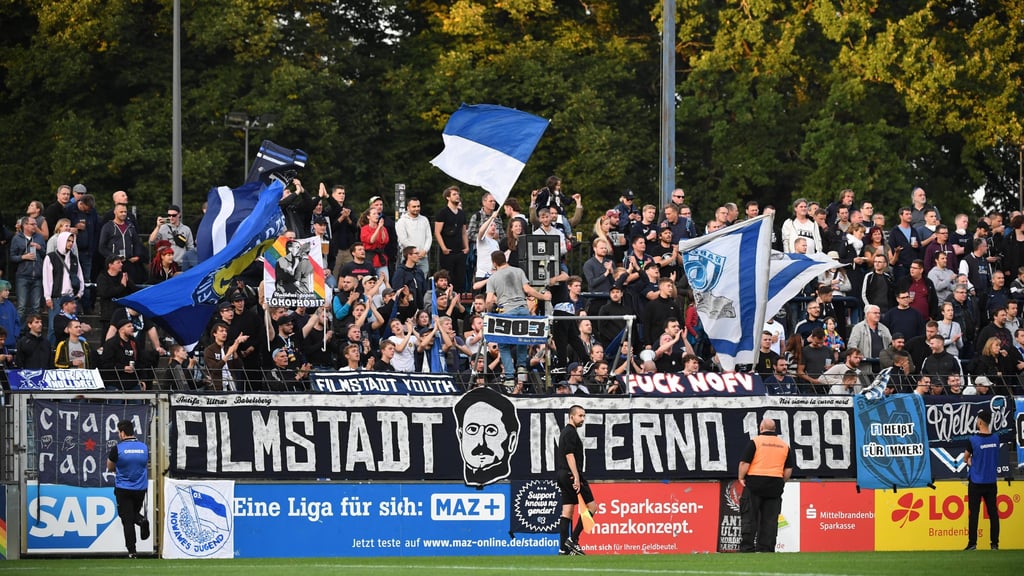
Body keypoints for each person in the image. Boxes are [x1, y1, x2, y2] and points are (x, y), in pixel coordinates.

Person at [737, 418, 795, 553]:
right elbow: (788, 469)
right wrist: (781, 481)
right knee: (770, 520)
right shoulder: (784, 445)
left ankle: (747, 548)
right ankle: (766, 549)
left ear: (761, 428)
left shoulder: (755, 442)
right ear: (774, 429)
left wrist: (741, 477)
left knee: (750, 517)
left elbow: (744, 463)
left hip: (754, 484)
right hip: (775, 485)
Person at [106, 420, 149, 558]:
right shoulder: (144, 447)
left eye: (119, 432)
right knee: (132, 514)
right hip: (140, 488)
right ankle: (141, 521)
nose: (119, 435)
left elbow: (110, 467)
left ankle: (132, 551)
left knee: (127, 519)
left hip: (123, 488)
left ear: (122, 433)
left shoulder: (117, 449)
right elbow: (144, 464)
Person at [556, 405, 595, 556]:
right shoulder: (570, 432)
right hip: (571, 475)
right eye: (580, 416)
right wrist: (577, 477)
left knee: (567, 511)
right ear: (571, 416)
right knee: (592, 507)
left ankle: (563, 549)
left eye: (584, 416)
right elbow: (569, 455)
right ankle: (573, 539)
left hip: (562, 474)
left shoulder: (566, 432)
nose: (583, 419)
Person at [963, 409, 1000, 551]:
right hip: (991, 481)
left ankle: (972, 544)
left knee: (974, 513)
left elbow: (965, 458)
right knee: (993, 513)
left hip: (976, 481)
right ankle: (994, 544)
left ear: (979, 422)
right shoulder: (995, 439)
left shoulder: (973, 440)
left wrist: (972, 462)